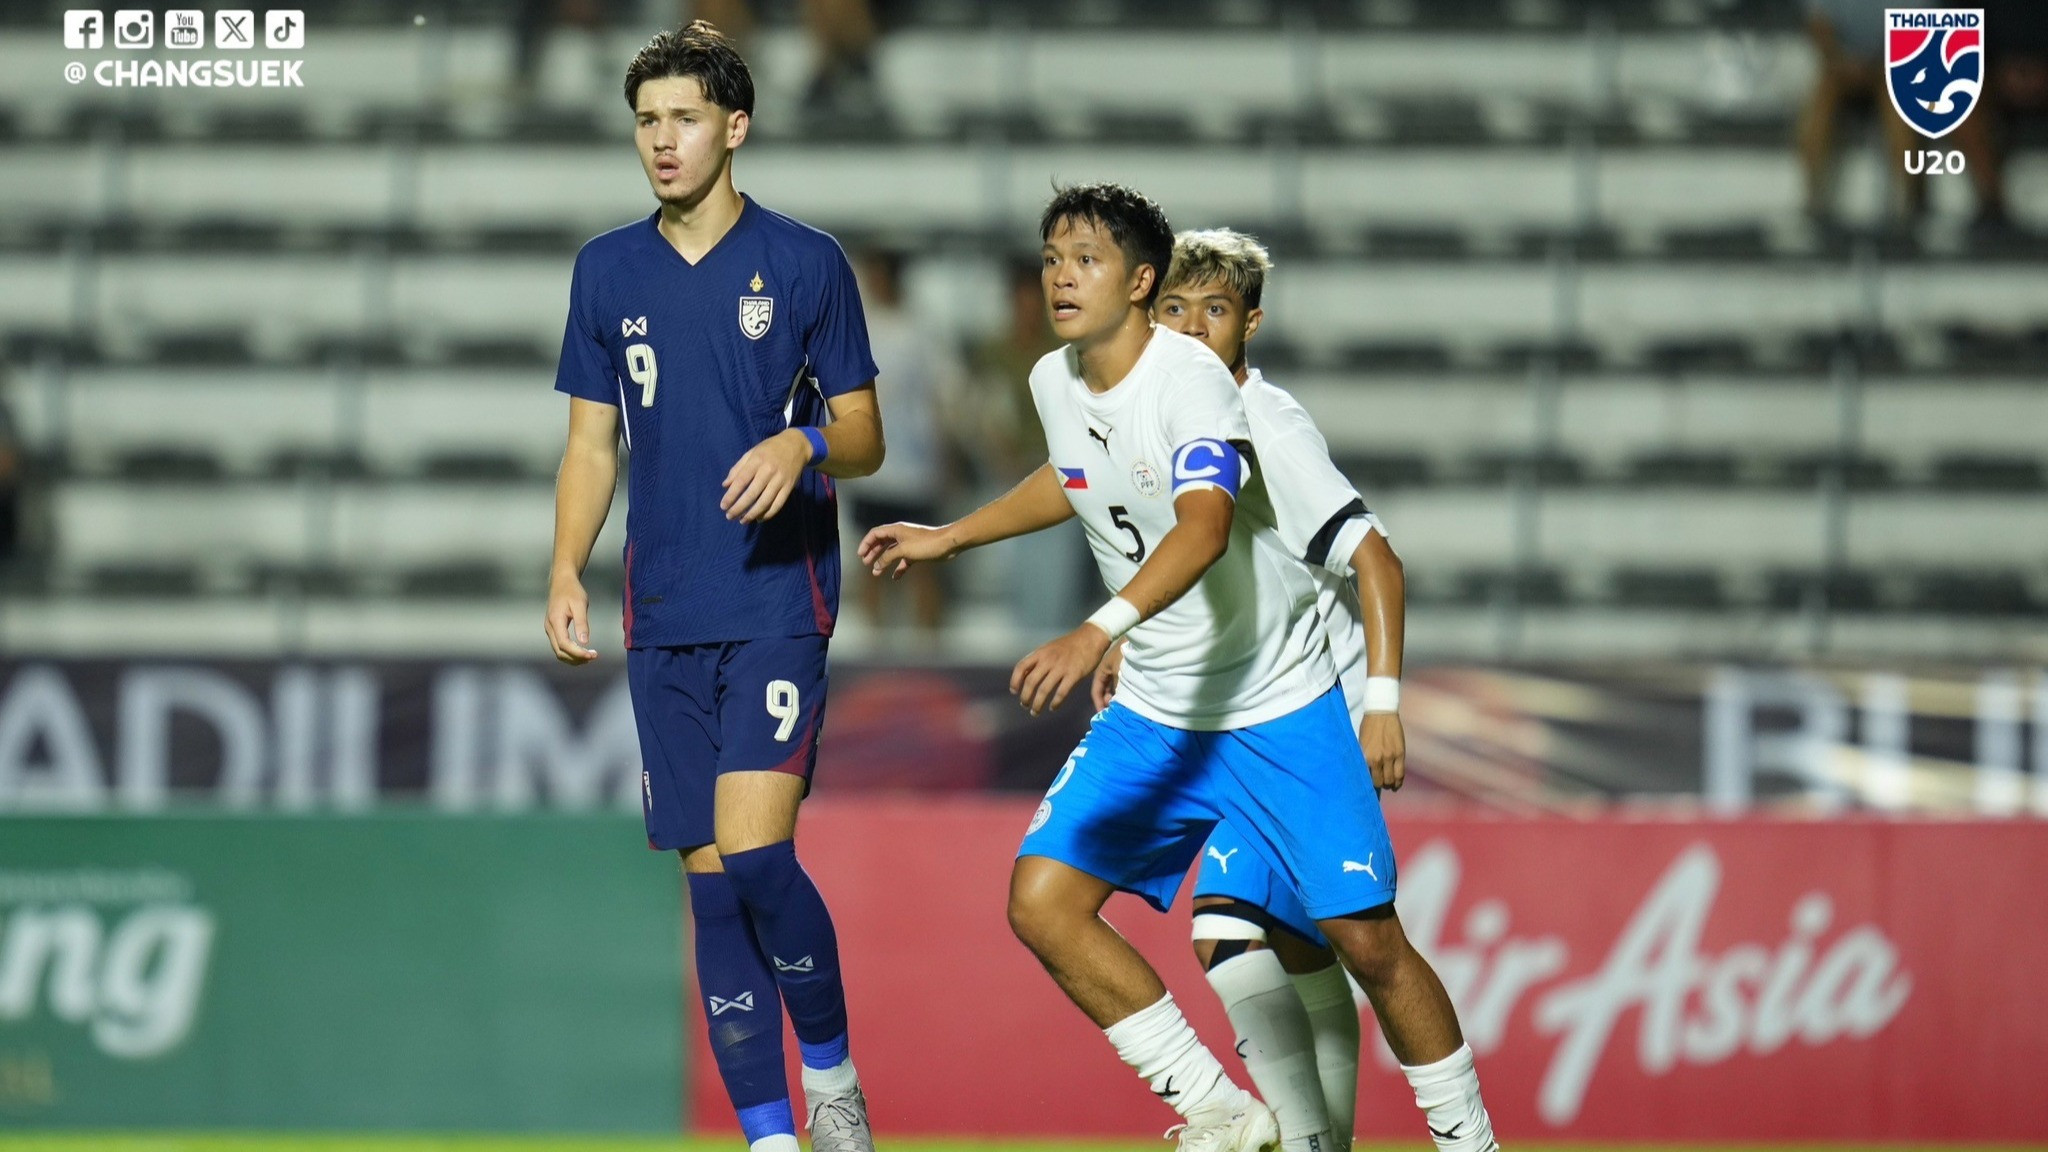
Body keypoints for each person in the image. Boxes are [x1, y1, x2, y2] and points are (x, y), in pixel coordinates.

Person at [859, 185, 1499, 1152]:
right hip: (1161, 710)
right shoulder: (1052, 382)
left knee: (1363, 940)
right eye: (1051, 258)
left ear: (1140, 280)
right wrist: (951, 537)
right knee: (1045, 900)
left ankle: (1468, 1142)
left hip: (1277, 705)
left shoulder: (1206, 389)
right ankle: (1223, 1108)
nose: (1060, 276)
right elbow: (1076, 479)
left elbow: (1203, 530)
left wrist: (1096, 627)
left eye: (1086, 259)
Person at [542, 23, 885, 1152]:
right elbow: (594, 445)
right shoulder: (606, 268)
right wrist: (562, 569)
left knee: (755, 854)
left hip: (776, 600)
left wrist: (801, 447)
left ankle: (831, 1076)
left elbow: (868, 435)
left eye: (683, 117)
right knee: (707, 886)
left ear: (734, 128)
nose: (662, 140)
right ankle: (771, 1137)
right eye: (646, 120)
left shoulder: (804, 262)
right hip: (665, 610)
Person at [1099, 228, 1408, 1152]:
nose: (1192, 330)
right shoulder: (1169, 417)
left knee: (1230, 937)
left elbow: (1376, 561)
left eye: (1216, 310)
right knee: (1308, 947)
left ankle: (1303, 1141)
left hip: (1302, 713)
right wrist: (1129, 630)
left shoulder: (1263, 425)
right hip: (1243, 714)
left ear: (1251, 325)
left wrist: (1384, 700)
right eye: (1174, 310)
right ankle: (1325, 1143)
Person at [844, 248, 960, 642]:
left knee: (922, 565)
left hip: (915, 471)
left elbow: (944, 397)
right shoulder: (860, 327)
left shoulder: (921, 330)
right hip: (872, 473)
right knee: (871, 565)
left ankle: (929, 649)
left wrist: (943, 459)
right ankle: (874, 649)